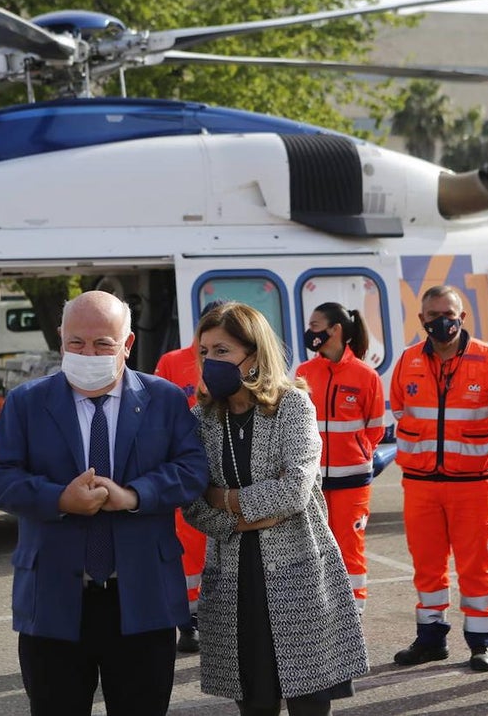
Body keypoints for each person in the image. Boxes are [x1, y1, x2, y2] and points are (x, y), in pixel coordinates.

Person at [0, 290, 208, 716]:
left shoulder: (166, 400)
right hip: (53, 601)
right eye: (76, 343)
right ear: (61, 340)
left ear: (128, 344)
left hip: (142, 598)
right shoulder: (27, 403)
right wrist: (59, 498)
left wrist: (135, 495)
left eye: (103, 343)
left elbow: (193, 471)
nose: (88, 353)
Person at [184, 301, 367, 716]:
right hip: (233, 583)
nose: (210, 361)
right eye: (205, 352)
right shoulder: (201, 419)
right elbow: (193, 507)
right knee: (254, 703)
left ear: (254, 353)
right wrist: (247, 514)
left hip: (298, 576)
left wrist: (227, 501)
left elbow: (295, 492)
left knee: (309, 703)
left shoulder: (292, 405)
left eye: (222, 351)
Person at [389, 285, 488, 673]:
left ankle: (481, 644)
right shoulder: (408, 360)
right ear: (422, 320)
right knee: (427, 566)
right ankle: (431, 640)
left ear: (462, 318)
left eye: (449, 314)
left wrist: (470, 444)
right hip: (421, 483)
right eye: (432, 316)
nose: (441, 321)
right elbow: (400, 408)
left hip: (473, 485)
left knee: (475, 567)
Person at [295, 302, 386, 614]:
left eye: (316, 324)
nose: (310, 331)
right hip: (313, 480)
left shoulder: (366, 375)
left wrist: (355, 455)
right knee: (313, 547)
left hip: (353, 480)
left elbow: (375, 429)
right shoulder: (304, 373)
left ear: (335, 330)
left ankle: (352, 615)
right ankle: (319, 612)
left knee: (349, 549)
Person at [152, 299, 224, 653]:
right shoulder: (172, 361)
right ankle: (189, 624)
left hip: (228, 467)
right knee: (189, 546)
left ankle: (226, 619)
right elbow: (156, 414)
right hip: (186, 466)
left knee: (226, 544)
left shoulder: (237, 359)